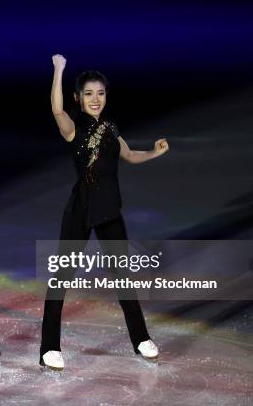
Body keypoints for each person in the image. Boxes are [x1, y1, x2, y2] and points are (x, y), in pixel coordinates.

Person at [39, 54, 169, 371]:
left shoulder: (111, 127)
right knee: (62, 278)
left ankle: (140, 339)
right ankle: (48, 348)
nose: (95, 99)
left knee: (123, 277)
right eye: (88, 93)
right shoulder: (73, 128)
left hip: (110, 209)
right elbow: (56, 110)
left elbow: (128, 154)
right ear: (78, 98)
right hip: (81, 209)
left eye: (100, 93)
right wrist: (58, 70)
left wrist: (153, 152)